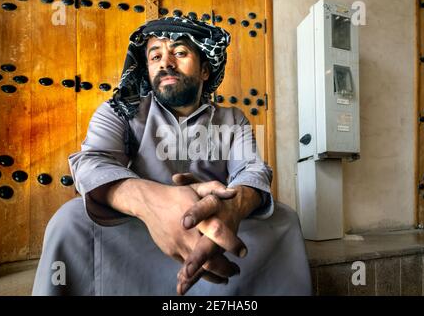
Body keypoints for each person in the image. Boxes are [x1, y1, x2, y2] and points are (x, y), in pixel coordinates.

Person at [32, 16, 312, 296]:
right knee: (69, 220)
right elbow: (91, 161)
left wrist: (233, 207)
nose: (165, 63)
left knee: (284, 220)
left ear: (205, 70)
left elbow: (252, 170)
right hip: (140, 228)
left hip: (210, 226)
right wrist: (151, 200)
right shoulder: (121, 111)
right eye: (155, 56)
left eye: (179, 52)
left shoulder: (233, 119)